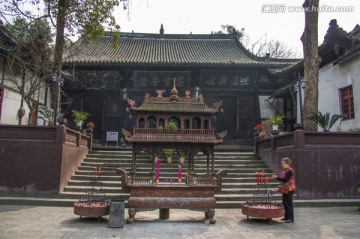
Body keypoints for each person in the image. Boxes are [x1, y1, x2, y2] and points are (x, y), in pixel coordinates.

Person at [272, 157, 295, 223]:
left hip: (289, 189)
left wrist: (276, 177)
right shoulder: (285, 171)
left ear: (287, 164)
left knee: (289, 204)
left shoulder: (290, 171)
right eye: (281, 163)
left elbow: (285, 179)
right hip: (285, 189)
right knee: (285, 203)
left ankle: (291, 218)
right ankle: (286, 217)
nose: (282, 164)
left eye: (283, 163)